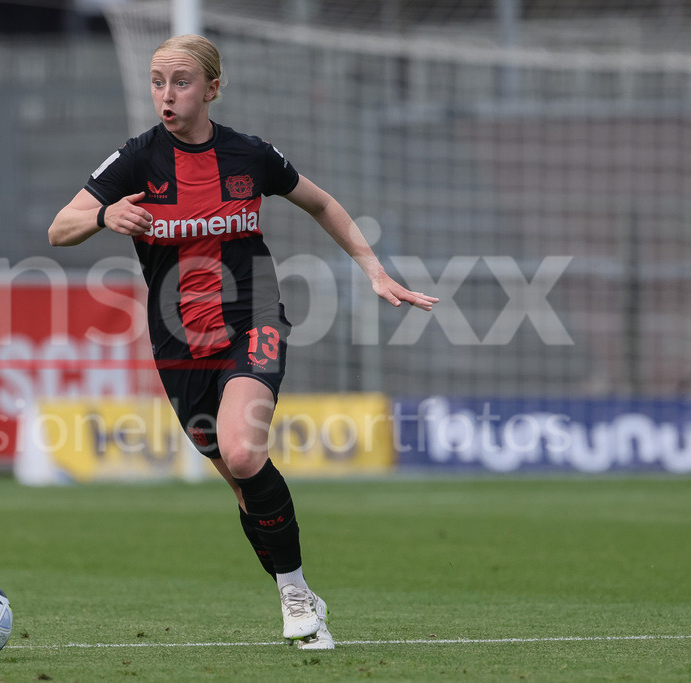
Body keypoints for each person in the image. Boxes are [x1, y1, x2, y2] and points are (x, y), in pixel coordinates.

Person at [48, 34, 438, 650]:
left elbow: (321, 202)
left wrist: (375, 270)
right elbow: (59, 226)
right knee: (238, 478)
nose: (166, 95)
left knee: (245, 452)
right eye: (157, 81)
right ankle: (298, 591)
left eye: (180, 82)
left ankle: (295, 596)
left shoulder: (249, 156)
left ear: (212, 88)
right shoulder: (137, 159)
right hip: (177, 342)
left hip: (251, 319)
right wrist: (102, 216)